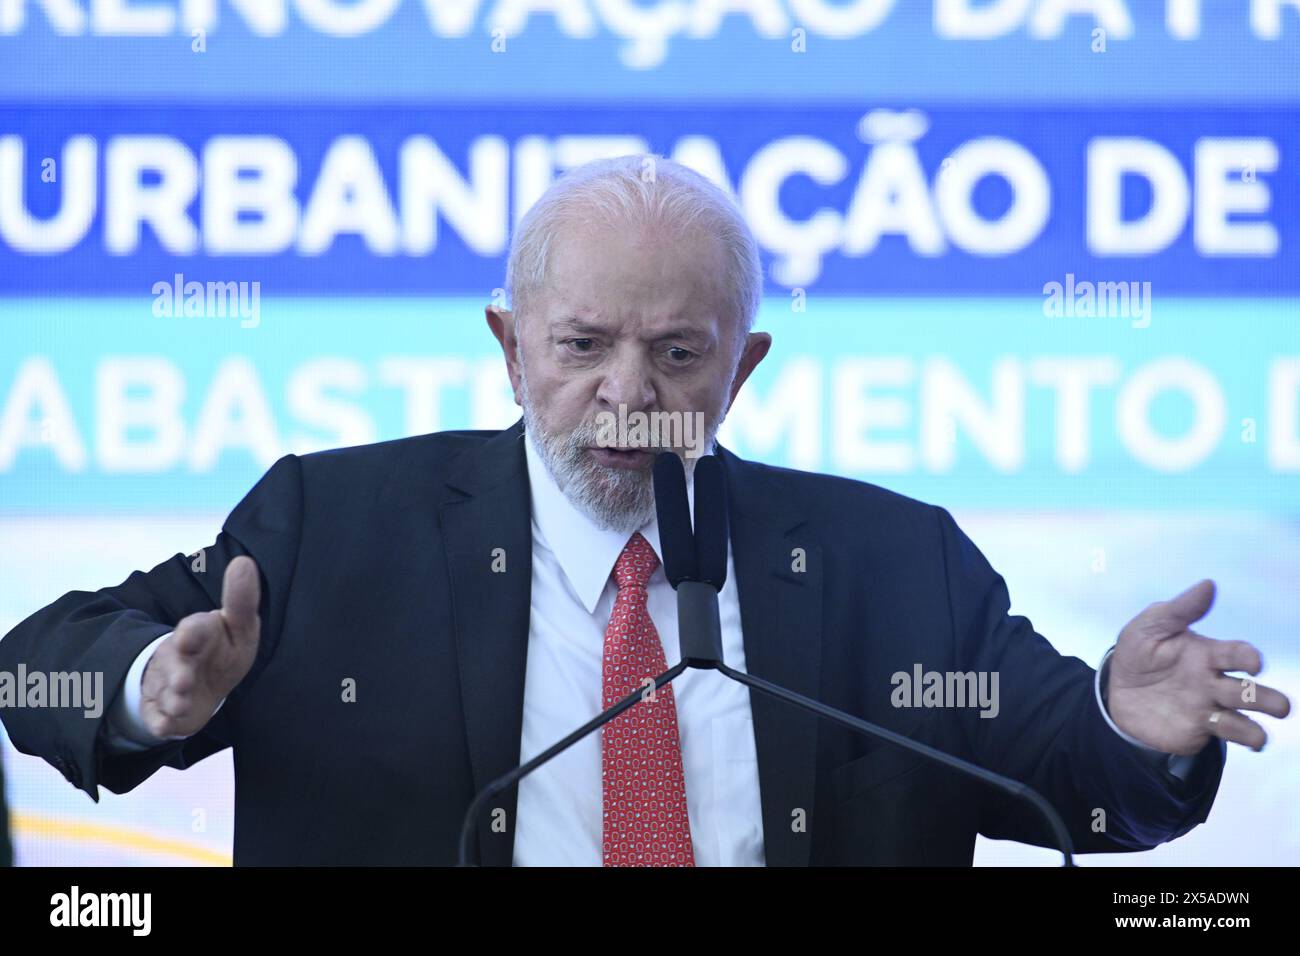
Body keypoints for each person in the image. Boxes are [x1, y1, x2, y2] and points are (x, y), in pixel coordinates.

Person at [0, 155, 1289, 866]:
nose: (626, 398)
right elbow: (27, 672)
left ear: (746, 365)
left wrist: (1136, 726)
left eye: (679, 354)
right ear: (511, 350)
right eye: (581, 346)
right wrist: (138, 689)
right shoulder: (331, 531)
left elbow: (1074, 776)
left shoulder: (895, 566)